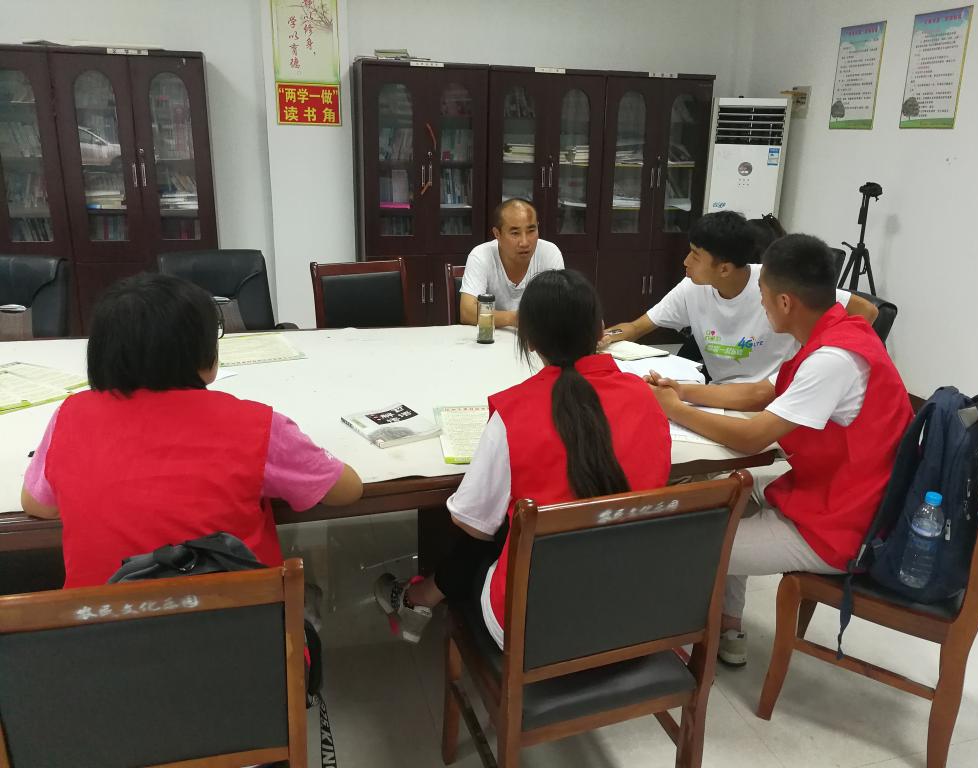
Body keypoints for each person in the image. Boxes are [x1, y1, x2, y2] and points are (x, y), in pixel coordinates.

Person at [645, 234, 912, 665]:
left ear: (785, 302)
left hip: (841, 526)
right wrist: (683, 391)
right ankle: (726, 622)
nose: (760, 304)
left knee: (683, 542)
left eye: (763, 295)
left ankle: (671, 648)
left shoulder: (832, 361)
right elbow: (759, 393)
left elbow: (753, 436)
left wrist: (675, 410)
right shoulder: (838, 332)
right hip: (832, 493)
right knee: (723, 489)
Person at [375, 269, 671, 644]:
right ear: (600, 331)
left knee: (491, 528)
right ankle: (421, 597)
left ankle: (419, 600)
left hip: (538, 624)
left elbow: (471, 523)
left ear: (529, 340)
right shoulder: (645, 397)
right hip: (637, 608)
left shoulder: (514, 414)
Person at [21, 273, 363, 588]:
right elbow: (346, 489)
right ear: (203, 353)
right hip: (241, 625)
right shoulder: (255, 426)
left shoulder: (70, 417)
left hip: (104, 629)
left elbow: (38, 504)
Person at [601, 210, 879, 384]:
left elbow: (866, 310)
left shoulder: (773, 282)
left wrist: (816, 360)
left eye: (695, 256)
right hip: (721, 396)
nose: (685, 262)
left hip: (769, 396)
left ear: (724, 268)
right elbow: (636, 327)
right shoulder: (691, 289)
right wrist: (604, 337)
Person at [458, 198, 564, 328]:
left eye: (531, 231)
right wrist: (515, 319)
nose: (524, 242)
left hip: (536, 337)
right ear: (497, 234)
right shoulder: (481, 255)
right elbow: (467, 312)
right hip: (492, 336)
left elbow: (559, 307)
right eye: (515, 233)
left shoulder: (550, 253)